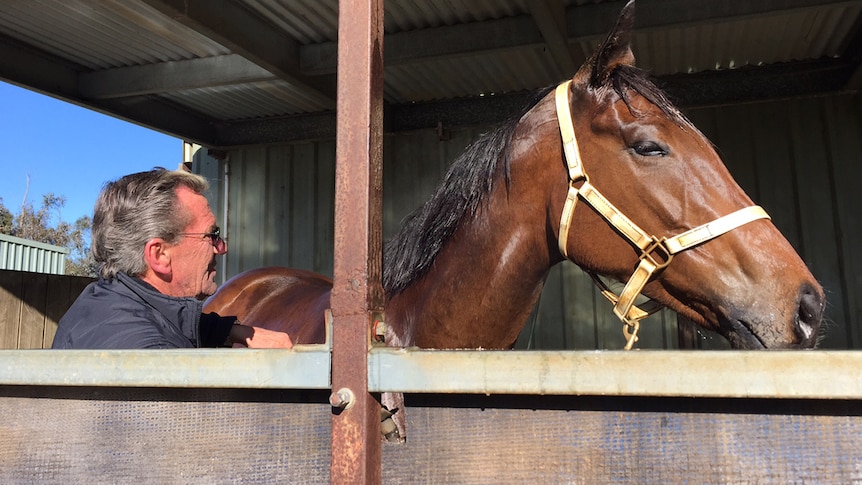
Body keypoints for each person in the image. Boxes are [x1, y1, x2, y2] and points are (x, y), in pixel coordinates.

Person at [52, 167, 293, 349]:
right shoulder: (149, 356)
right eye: (212, 235)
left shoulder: (105, 301)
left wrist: (232, 331)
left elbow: (174, 320)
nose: (222, 248)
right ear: (160, 255)